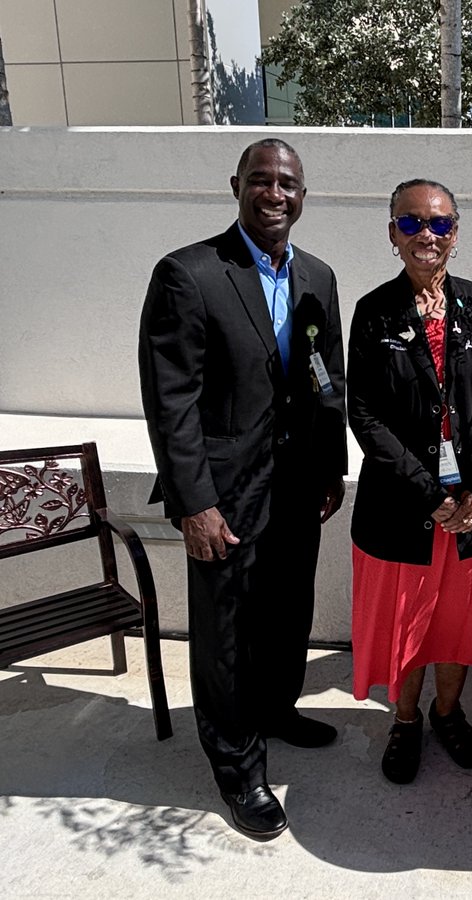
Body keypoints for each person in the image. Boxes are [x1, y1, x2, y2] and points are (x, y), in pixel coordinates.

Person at [139, 139, 347, 840]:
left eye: (287, 182)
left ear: (302, 195)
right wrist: (193, 503)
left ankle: (278, 710)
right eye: (261, 180)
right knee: (226, 633)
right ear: (237, 186)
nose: (275, 192)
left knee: (289, 609)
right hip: (223, 494)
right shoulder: (189, 274)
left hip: (295, 486)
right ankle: (237, 765)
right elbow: (172, 402)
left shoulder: (318, 276)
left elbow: (328, 382)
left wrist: (331, 466)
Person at [347, 179, 472, 786]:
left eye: (441, 224)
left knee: (456, 621)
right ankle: (404, 721)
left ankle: (448, 713)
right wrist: (430, 492)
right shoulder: (374, 311)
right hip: (404, 507)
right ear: (392, 233)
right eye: (413, 223)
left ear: (456, 233)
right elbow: (363, 413)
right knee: (407, 623)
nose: (428, 235)